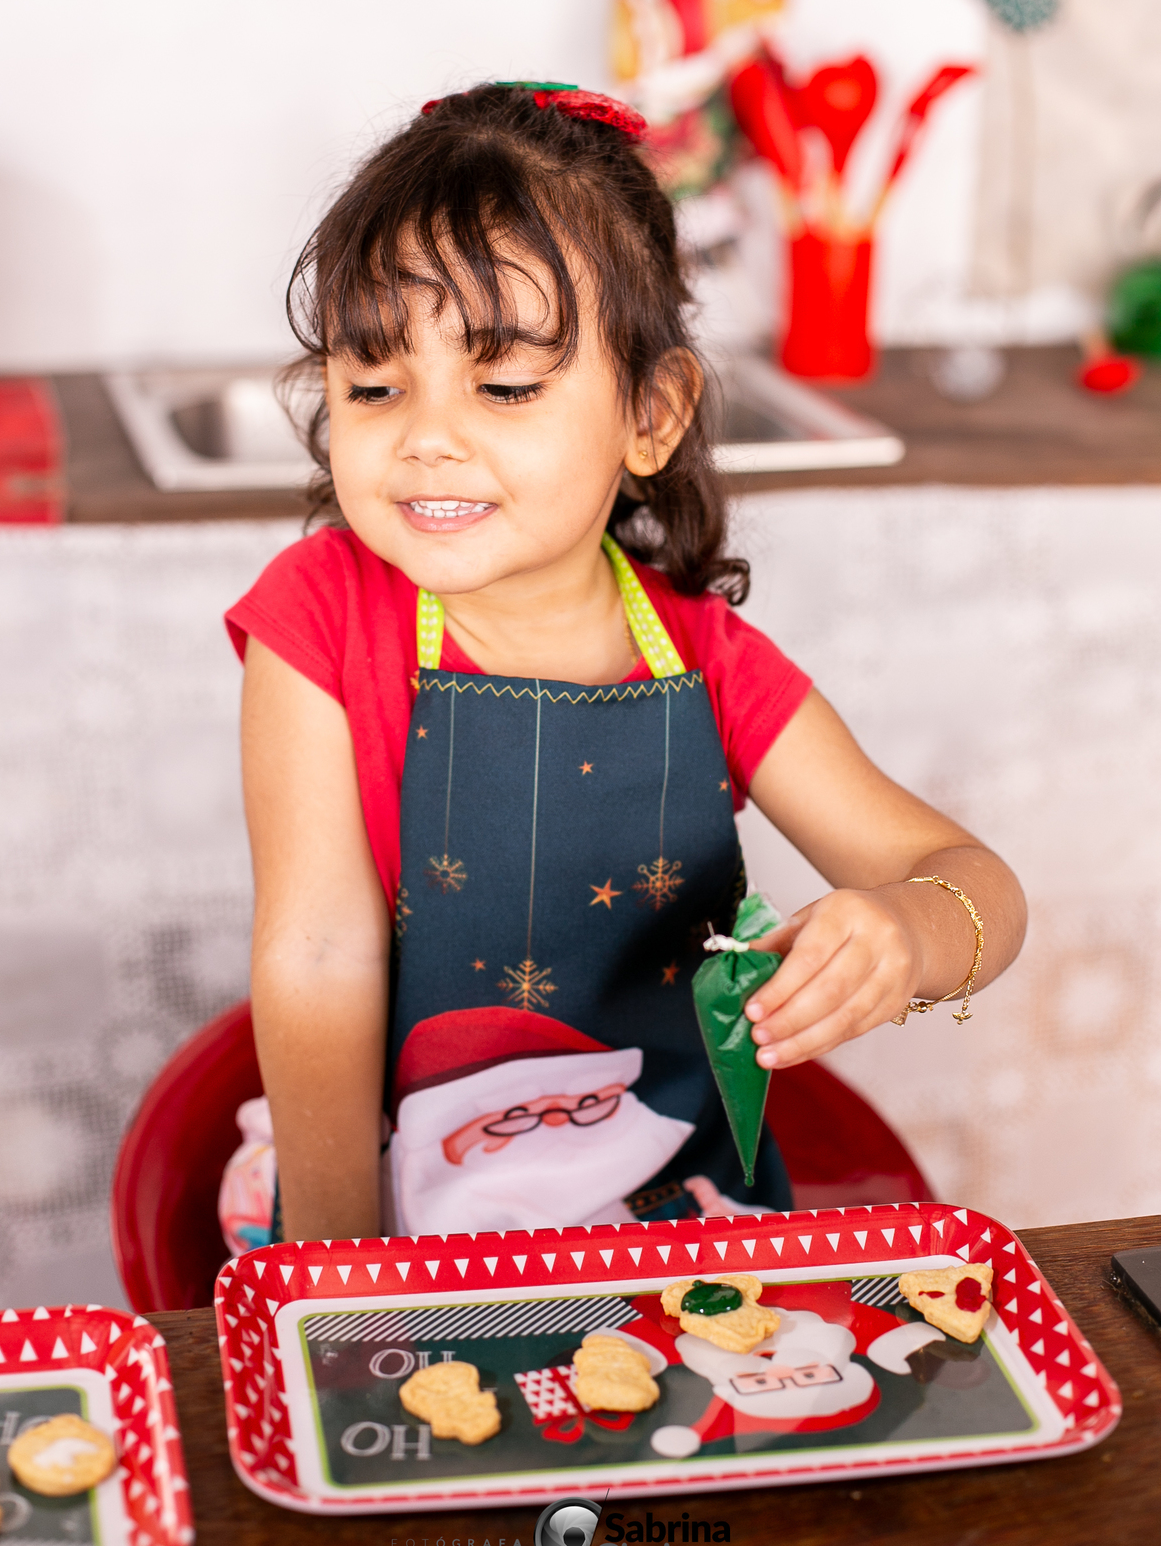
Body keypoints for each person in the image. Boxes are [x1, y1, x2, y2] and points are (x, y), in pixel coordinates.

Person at [221, 81, 1026, 1248]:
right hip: (385, 1201)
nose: (426, 437)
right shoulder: (320, 616)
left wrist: (909, 930)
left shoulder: (712, 665)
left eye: (504, 385)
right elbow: (316, 957)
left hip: (666, 1220)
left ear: (651, 413)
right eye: (375, 385)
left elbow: (981, 889)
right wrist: (338, 1276)